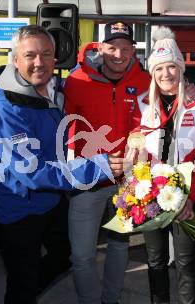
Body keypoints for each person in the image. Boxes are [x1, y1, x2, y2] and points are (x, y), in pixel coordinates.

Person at [0, 25, 123, 304]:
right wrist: (99, 166)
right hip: (17, 209)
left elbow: (88, 75)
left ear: (55, 58)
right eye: (30, 55)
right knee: (23, 283)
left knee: (66, 256)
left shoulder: (49, 90)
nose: (39, 62)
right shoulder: (5, 109)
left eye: (46, 54)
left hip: (49, 201)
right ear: (15, 60)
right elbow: (32, 173)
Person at [63, 21, 151, 304]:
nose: (119, 54)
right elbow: (64, 126)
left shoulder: (143, 81)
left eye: (125, 47)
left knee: (118, 246)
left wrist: (135, 159)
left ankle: (111, 299)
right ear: (101, 48)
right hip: (87, 178)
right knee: (82, 254)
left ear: (133, 50)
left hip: (125, 181)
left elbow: (146, 124)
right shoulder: (77, 80)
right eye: (112, 47)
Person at [130, 26, 195, 304]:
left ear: (180, 69)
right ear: (152, 73)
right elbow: (134, 147)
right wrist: (139, 186)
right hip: (151, 195)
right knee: (155, 260)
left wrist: (192, 196)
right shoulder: (141, 104)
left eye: (171, 67)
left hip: (187, 196)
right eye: (159, 69)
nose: (166, 74)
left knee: (185, 261)